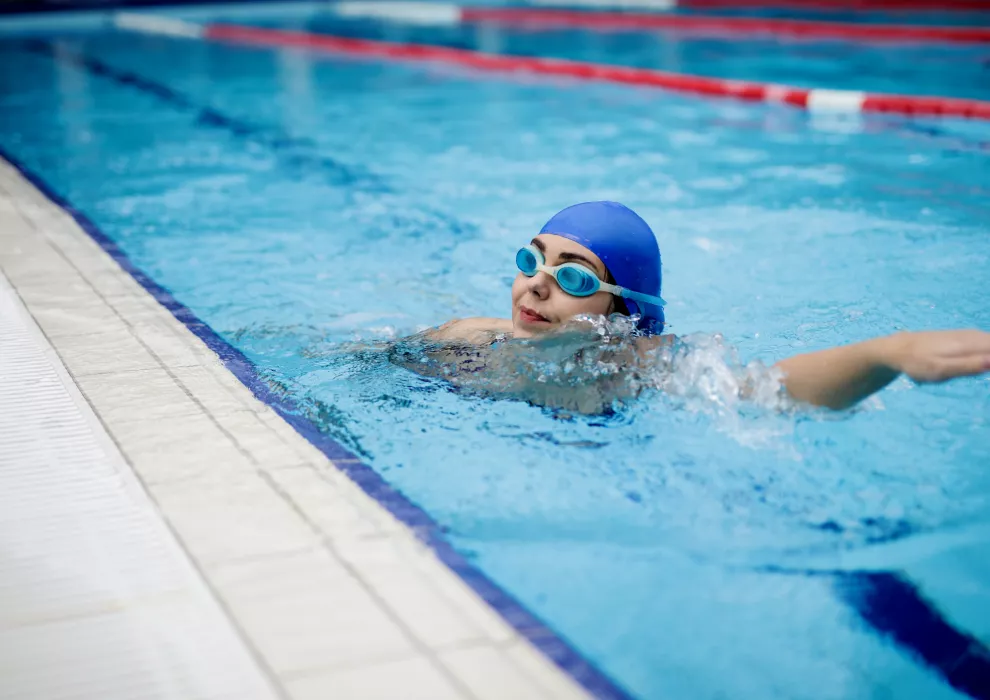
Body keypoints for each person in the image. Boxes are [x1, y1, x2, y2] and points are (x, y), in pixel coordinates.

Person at [424, 201, 990, 410]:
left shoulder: (633, 366)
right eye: (531, 262)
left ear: (622, 312)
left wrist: (886, 354)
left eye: (572, 277)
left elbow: (767, 389)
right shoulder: (468, 338)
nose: (536, 287)